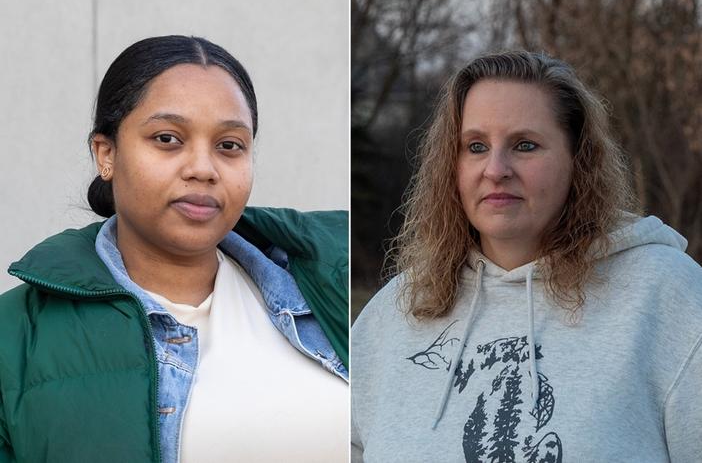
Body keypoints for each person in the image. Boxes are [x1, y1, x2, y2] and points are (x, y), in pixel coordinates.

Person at [0, 35, 348, 463]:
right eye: (167, 138)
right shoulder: (14, 335)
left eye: (229, 146)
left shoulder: (329, 283)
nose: (203, 168)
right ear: (105, 153)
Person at [351, 51, 702, 462]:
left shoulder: (667, 296)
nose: (496, 169)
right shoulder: (396, 313)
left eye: (525, 145)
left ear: (578, 161)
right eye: (476, 146)